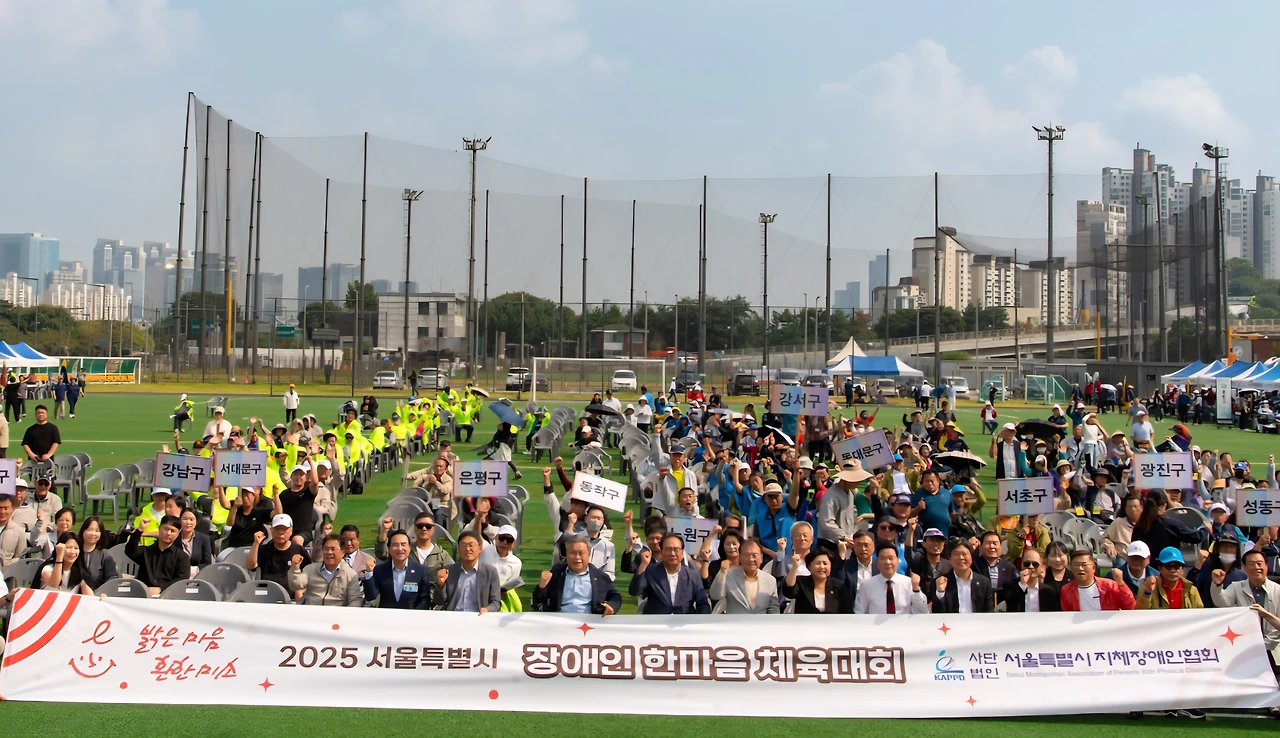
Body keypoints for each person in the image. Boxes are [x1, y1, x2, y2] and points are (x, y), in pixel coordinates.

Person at [1211, 550, 1280, 682]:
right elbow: (1221, 603)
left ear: (1266, 565)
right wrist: (1217, 585)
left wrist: (1266, 615)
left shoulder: (1277, 590)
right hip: (1245, 648)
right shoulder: (1237, 587)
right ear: (1244, 567)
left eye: (1259, 563)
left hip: (1273, 649)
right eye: (1252, 564)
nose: (1256, 567)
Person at [532, 534, 622, 614]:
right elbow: (538, 601)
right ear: (566, 554)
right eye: (572, 553)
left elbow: (615, 595)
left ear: (589, 554)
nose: (577, 557)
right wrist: (542, 587)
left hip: (588, 621)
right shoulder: (556, 573)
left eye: (581, 553)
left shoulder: (599, 576)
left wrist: (612, 606)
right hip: (560, 619)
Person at [629, 532, 711, 614]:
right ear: (661, 552)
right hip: (657, 619)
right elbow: (635, 591)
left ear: (682, 552)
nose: (672, 553)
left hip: (683, 619)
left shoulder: (693, 575)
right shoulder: (651, 571)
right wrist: (643, 565)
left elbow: (702, 603)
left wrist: (703, 619)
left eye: (676, 549)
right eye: (668, 549)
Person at [376, 512, 454, 585]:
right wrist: (384, 531)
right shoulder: (405, 550)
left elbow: (455, 573)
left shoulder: (441, 555)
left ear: (434, 529)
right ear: (414, 528)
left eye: (428, 526)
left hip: (432, 593)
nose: (424, 529)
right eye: (420, 526)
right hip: (406, 592)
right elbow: (382, 554)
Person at [288, 533, 365, 606]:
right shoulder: (310, 569)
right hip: (312, 610)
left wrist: (346, 613)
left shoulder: (350, 575)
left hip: (336, 613)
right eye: (326, 549)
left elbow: (355, 600)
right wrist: (295, 568)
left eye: (333, 549)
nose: (329, 552)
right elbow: (295, 586)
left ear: (343, 552)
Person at [364, 528, 432, 609]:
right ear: (389, 548)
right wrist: (369, 572)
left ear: (409, 548)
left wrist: (414, 615)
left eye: (403, 544)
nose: (400, 549)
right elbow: (371, 596)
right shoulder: (380, 570)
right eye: (395, 545)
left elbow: (424, 600)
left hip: (411, 615)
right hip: (387, 615)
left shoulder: (420, 571)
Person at [245, 513, 312, 596]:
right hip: (267, 592)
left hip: (290, 595)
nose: (280, 532)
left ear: (291, 530)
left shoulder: (299, 550)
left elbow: (308, 574)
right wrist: (256, 544)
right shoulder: (264, 549)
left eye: (284, 529)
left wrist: (301, 591)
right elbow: (250, 566)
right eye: (277, 529)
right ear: (271, 530)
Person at [435, 531, 501, 613]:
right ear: (458, 548)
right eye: (463, 545)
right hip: (454, 616)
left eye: (471, 545)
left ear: (480, 548)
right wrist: (440, 586)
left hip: (478, 616)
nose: (467, 549)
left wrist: (487, 609)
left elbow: (496, 603)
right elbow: (439, 601)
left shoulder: (490, 572)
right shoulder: (449, 571)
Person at [125, 515, 191, 596]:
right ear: (159, 528)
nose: (168, 533)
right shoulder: (146, 551)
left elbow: (182, 579)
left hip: (169, 595)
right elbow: (130, 551)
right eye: (165, 529)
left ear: (178, 533)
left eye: (172, 531)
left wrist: (161, 589)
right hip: (144, 593)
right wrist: (140, 530)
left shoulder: (182, 557)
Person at [854, 542, 928, 614]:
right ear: (877, 563)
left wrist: (916, 590)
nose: (887, 562)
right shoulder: (866, 586)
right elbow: (859, 612)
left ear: (897, 562)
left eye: (891, 558)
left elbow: (922, 612)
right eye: (883, 558)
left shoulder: (909, 583)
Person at [709, 539, 779, 614]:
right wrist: (722, 572)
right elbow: (715, 596)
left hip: (760, 621)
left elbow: (774, 609)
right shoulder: (728, 575)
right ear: (740, 557)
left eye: (754, 555)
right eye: (746, 555)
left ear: (761, 557)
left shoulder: (770, 580)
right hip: (736, 621)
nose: (751, 559)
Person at [1131, 490, 1204, 558]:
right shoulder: (1170, 524)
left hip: (1144, 565)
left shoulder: (1139, 525)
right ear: (1164, 505)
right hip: (1168, 565)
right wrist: (1205, 528)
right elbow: (1196, 537)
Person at [1059, 549, 1136, 611]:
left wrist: (1121, 583)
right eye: (1076, 565)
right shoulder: (1067, 590)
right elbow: (1067, 615)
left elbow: (1130, 606)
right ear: (1071, 568)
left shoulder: (1110, 586)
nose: (1080, 568)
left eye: (1084, 565)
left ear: (1094, 568)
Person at [783, 548, 852, 614]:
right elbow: (789, 591)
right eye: (818, 563)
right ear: (809, 566)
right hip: (805, 621)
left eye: (825, 563)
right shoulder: (801, 582)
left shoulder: (839, 586)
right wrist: (795, 567)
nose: (822, 567)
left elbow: (847, 611)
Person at [933, 542, 995, 613]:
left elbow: (989, 611)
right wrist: (940, 593)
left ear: (971, 557)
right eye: (956, 554)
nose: (961, 557)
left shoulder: (984, 583)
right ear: (949, 558)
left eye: (964, 554)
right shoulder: (940, 582)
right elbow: (936, 613)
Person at [1137, 547, 1203, 609]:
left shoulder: (1191, 590)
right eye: (1168, 566)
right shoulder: (1148, 587)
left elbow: (1201, 613)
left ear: (1182, 569)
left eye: (1176, 566)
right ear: (1160, 568)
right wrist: (1148, 592)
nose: (1172, 570)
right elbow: (1139, 611)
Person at [177, 508, 213, 573]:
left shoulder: (204, 539)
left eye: (191, 519)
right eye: (185, 519)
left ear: (196, 521)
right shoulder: (174, 538)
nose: (188, 522)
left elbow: (207, 563)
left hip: (197, 574)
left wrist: (193, 570)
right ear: (180, 520)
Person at [0, 494, 26, 567]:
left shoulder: (18, 531)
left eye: (6, 508)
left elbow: (20, 557)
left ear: (12, 509)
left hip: (8, 571)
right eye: (0, 508)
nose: (2, 512)